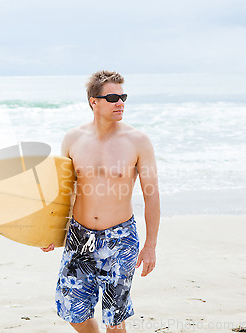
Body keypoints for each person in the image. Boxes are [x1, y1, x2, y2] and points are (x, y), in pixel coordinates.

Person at [41, 70, 160, 333]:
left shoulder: (137, 141)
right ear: (93, 101)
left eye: (123, 97)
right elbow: (64, 192)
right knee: (73, 311)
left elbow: (151, 194)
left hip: (120, 239)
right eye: (113, 97)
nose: (121, 103)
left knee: (115, 321)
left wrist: (150, 244)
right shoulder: (73, 139)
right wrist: (49, 232)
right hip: (79, 237)